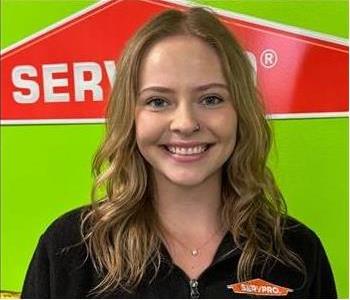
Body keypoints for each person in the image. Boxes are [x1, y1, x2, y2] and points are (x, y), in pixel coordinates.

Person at [21, 7, 337, 299]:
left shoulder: (297, 252)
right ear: (130, 117)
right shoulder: (69, 249)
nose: (185, 123)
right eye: (158, 101)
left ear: (240, 111)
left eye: (211, 99)